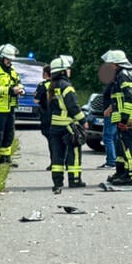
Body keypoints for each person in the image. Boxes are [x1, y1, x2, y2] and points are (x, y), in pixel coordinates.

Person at [101, 49, 132, 185]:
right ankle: (121, 172)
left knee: (127, 146)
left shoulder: (124, 75)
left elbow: (129, 98)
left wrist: (124, 119)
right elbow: (119, 98)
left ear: (116, 64)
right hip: (123, 116)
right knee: (120, 146)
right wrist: (111, 108)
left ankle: (130, 176)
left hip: (129, 117)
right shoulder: (121, 74)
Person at [47, 55, 88, 194]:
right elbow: (73, 107)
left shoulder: (51, 86)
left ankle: (57, 182)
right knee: (74, 152)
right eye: (68, 68)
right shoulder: (67, 87)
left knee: (57, 155)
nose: (70, 71)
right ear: (63, 71)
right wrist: (83, 121)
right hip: (68, 126)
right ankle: (75, 180)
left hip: (54, 126)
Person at [0, 43, 25, 166]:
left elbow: (19, 83)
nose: (10, 62)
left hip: (10, 107)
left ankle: (5, 157)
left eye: (11, 60)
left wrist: (20, 89)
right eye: (8, 59)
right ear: (2, 58)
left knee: (9, 133)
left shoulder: (12, 71)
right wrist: (10, 91)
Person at [34, 64, 52, 168]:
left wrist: (36, 95)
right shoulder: (59, 84)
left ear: (45, 73)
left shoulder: (43, 85)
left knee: (51, 140)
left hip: (46, 114)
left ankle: (54, 162)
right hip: (58, 114)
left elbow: (36, 100)